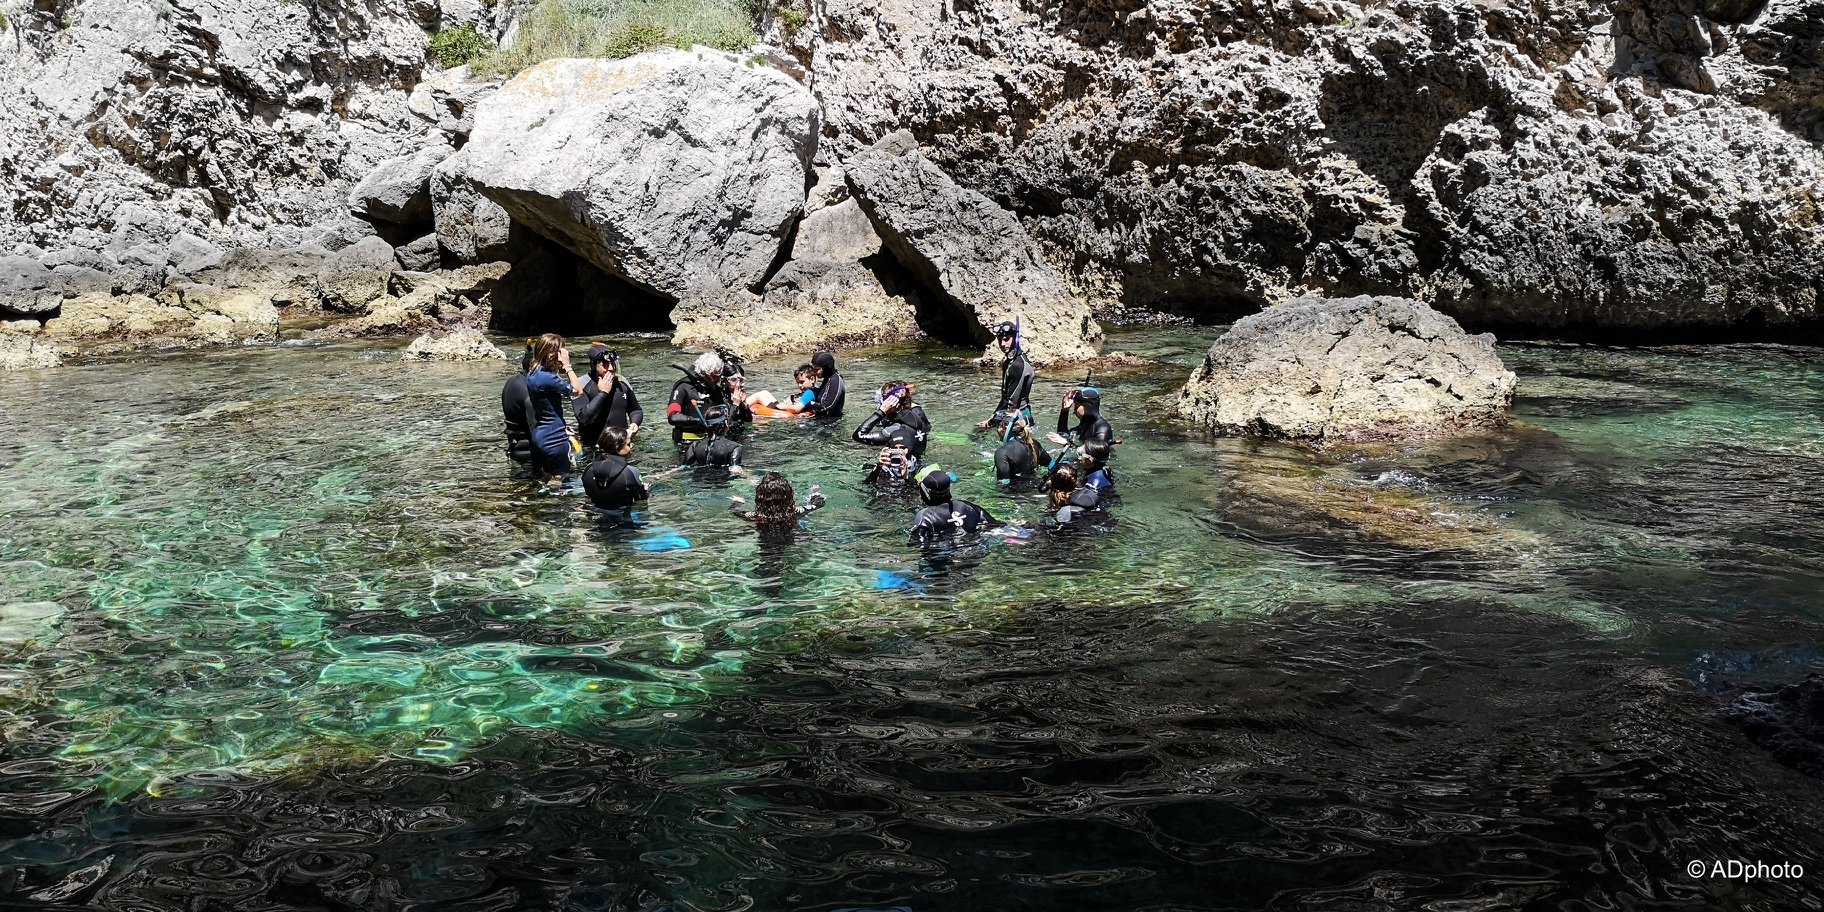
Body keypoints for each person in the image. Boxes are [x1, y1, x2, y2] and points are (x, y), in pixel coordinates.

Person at [525, 333, 586, 483]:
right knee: (559, 479)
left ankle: (539, 499)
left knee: (548, 476)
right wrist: (567, 366)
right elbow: (578, 391)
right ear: (552, 355)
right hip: (554, 437)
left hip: (540, 435)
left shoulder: (533, 373)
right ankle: (551, 504)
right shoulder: (547, 378)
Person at [574, 344, 643, 458]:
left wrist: (634, 423)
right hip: (594, 450)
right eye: (605, 365)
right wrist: (603, 393)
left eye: (612, 364)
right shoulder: (581, 384)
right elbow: (583, 418)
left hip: (622, 447)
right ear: (594, 365)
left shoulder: (622, 382)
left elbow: (635, 409)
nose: (610, 368)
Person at [908, 465, 999, 547]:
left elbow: (917, 544)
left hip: (945, 562)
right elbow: (996, 526)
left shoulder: (925, 516)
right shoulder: (967, 506)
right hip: (976, 554)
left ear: (925, 493)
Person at [729, 472, 827, 540]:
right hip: (794, 540)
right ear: (789, 496)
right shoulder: (794, 512)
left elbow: (733, 511)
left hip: (766, 544)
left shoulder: (754, 516)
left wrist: (737, 503)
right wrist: (815, 495)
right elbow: (818, 504)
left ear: (759, 497)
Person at [976, 320, 1034, 432]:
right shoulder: (1009, 362)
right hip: (1011, 416)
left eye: (1006, 339)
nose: (1002, 344)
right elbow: (1005, 398)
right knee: (979, 430)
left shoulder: (1018, 365)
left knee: (978, 434)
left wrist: (991, 423)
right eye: (1000, 340)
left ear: (1015, 338)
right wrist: (992, 418)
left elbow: (1011, 404)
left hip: (1019, 420)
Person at [667, 351, 736, 442]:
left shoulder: (716, 389)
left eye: (719, 376)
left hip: (711, 440)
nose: (717, 380)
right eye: (714, 377)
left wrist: (735, 405)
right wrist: (699, 421)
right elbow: (673, 416)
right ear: (703, 374)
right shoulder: (683, 387)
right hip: (687, 441)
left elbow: (725, 415)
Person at [852, 380, 931, 456]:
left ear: (891, 404)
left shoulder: (895, 430)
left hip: (901, 467)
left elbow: (858, 435)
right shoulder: (918, 417)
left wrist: (881, 412)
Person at [582, 426, 648, 514]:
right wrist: (645, 489)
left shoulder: (588, 469)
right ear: (618, 448)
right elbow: (641, 499)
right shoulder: (629, 472)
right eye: (628, 444)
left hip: (596, 512)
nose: (631, 446)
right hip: (623, 517)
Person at [501, 340, 539, 475]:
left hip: (515, 448)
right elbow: (537, 431)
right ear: (534, 364)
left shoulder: (512, 381)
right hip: (531, 457)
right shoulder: (529, 390)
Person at [1049, 386, 1114, 448]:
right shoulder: (1084, 425)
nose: (1074, 411)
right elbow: (1063, 435)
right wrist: (1065, 410)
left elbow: (1095, 455)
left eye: (1076, 406)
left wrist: (1067, 443)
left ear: (1088, 406)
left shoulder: (1103, 429)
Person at [993, 418, 1050, 486]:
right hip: (1035, 486)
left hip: (1015, 494)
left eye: (999, 425)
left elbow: (1003, 485)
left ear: (1006, 428)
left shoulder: (1001, 452)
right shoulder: (1033, 444)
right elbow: (1052, 465)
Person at [745, 364, 819, 416]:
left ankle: (739, 407)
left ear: (812, 379)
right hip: (784, 408)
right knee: (765, 392)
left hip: (782, 410)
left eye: (802, 382)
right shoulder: (816, 390)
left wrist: (782, 406)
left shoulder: (809, 393)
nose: (800, 385)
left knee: (759, 396)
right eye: (798, 383)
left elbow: (796, 409)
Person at [805, 350, 846, 419]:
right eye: (813, 368)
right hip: (821, 420)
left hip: (831, 424)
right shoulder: (828, 379)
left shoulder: (835, 380)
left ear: (826, 368)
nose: (814, 372)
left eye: (817, 369)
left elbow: (826, 407)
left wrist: (808, 403)